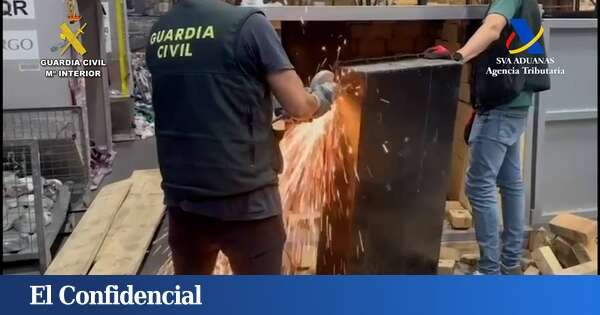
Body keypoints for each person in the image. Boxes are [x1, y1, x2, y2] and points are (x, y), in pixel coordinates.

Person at [145, 0, 337, 275]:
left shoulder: (159, 32)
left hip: (183, 206)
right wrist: (325, 94)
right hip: (247, 208)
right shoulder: (249, 25)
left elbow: (202, 97)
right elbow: (300, 106)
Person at [423, 0, 550, 275]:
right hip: (517, 103)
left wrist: (458, 57)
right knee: (511, 183)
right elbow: (522, 47)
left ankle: (490, 270)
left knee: (479, 186)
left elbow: (493, 28)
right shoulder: (526, 3)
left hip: (501, 108)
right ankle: (510, 264)